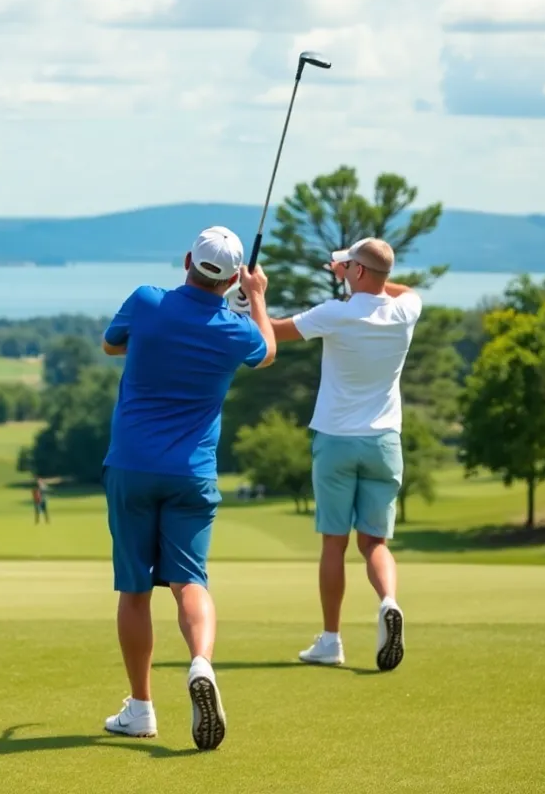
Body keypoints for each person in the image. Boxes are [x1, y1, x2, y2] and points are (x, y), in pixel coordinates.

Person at [98, 226, 275, 751]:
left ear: (187, 261)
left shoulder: (147, 301)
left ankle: (141, 709)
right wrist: (256, 298)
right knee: (189, 582)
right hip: (192, 472)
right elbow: (265, 351)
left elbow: (112, 344)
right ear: (234, 278)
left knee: (134, 592)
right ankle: (200, 662)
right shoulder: (235, 330)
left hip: (131, 465)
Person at [267, 238, 420, 672]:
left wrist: (255, 296)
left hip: (336, 440)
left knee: (334, 544)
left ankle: (332, 640)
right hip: (384, 442)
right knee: (374, 543)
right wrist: (360, 273)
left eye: (350, 265)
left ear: (357, 272)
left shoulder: (334, 313)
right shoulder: (407, 310)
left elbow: (273, 330)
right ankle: (388, 601)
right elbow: (395, 287)